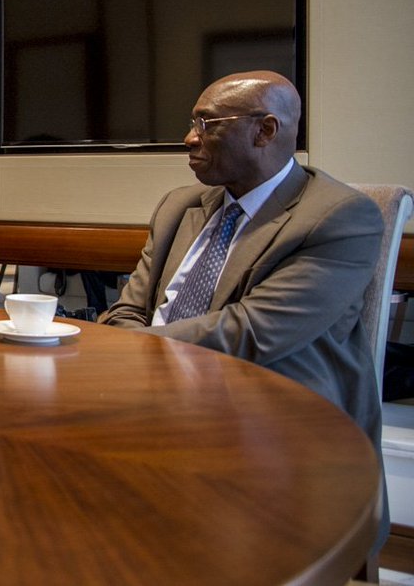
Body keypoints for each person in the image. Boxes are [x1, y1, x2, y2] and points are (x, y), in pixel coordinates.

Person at [99, 70, 387, 545]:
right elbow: (131, 309)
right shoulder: (180, 206)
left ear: (266, 130)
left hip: (273, 422)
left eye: (208, 124)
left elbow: (252, 333)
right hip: (156, 402)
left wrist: (109, 350)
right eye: (192, 122)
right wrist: (115, 349)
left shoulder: (339, 216)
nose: (190, 138)